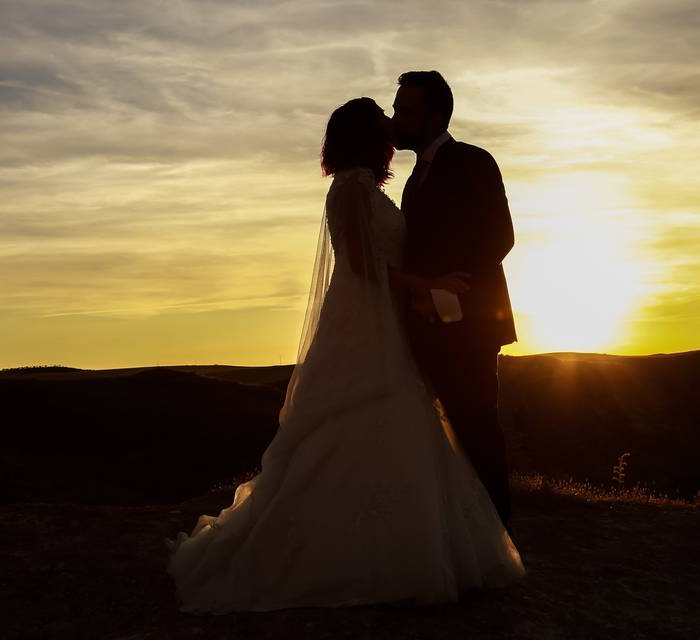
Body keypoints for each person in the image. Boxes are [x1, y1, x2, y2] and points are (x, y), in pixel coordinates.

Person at [165, 95, 524, 615]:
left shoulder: (379, 186)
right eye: (383, 119)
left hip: (389, 322)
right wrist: (427, 285)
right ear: (364, 137)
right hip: (364, 325)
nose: (391, 125)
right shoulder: (352, 190)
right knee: (363, 420)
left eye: (397, 112)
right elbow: (361, 267)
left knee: (407, 424)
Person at [392, 70, 518, 534]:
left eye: (405, 111)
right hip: (425, 327)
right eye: (395, 109)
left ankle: (498, 538)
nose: (395, 119)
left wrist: (440, 293)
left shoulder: (473, 162)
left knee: (478, 429)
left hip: (471, 326)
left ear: (434, 116)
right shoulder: (413, 178)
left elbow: (499, 238)